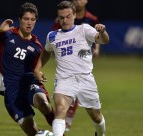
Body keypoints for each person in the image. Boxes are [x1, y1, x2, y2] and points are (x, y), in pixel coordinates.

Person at [0, 2, 54, 136]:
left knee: (43, 103)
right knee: (32, 132)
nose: (29, 23)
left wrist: (39, 73)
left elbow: (37, 69)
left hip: (30, 84)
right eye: (26, 19)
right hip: (11, 91)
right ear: (19, 19)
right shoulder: (6, 35)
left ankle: (60, 132)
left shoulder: (36, 47)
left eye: (32, 19)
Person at [34, 1, 109, 136]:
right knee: (61, 109)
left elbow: (103, 40)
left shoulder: (84, 29)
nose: (65, 20)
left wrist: (102, 32)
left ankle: (100, 134)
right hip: (64, 79)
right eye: (61, 17)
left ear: (74, 15)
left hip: (85, 79)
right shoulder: (52, 36)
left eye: (68, 16)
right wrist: (37, 69)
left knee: (96, 116)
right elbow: (46, 51)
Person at [51, 0, 101, 131]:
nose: (79, 1)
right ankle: (67, 119)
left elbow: (98, 36)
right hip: (65, 70)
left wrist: (96, 49)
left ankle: (100, 131)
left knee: (95, 115)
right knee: (62, 103)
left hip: (83, 61)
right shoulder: (60, 20)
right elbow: (54, 38)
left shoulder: (91, 20)